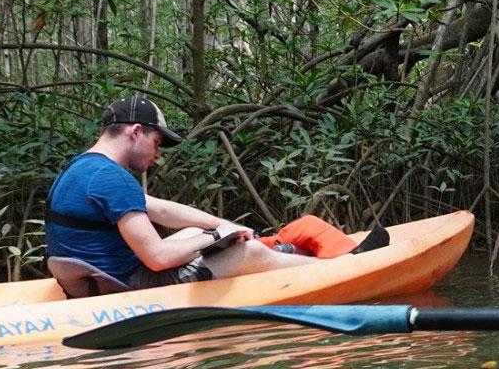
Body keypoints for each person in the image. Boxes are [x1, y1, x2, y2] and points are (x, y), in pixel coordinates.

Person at [45, 96, 312, 291]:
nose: (158, 154)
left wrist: (223, 225)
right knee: (250, 252)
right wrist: (217, 236)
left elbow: (159, 209)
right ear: (136, 131)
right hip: (129, 286)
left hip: (97, 279)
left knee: (192, 234)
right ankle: (328, 269)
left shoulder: (80, 168)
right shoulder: (112, 178)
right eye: (157, 142)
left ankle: (289, 255)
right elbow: (158, 258)